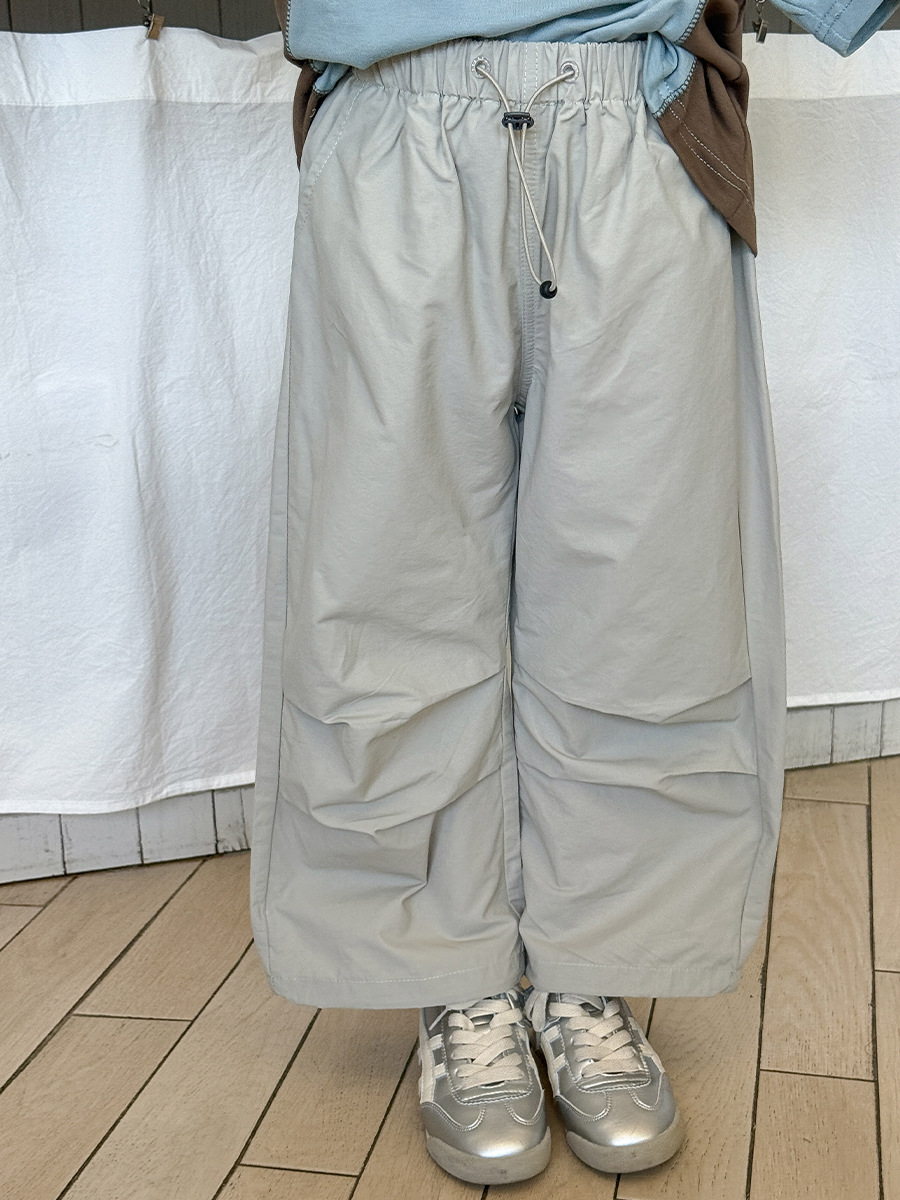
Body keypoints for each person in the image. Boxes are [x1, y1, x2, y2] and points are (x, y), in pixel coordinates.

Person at [250, 0, 895, 1185]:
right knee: (384, 591)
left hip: (632, 118)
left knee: (645, 595)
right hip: (395, 109)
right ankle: (452, 977)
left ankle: (589, 969)